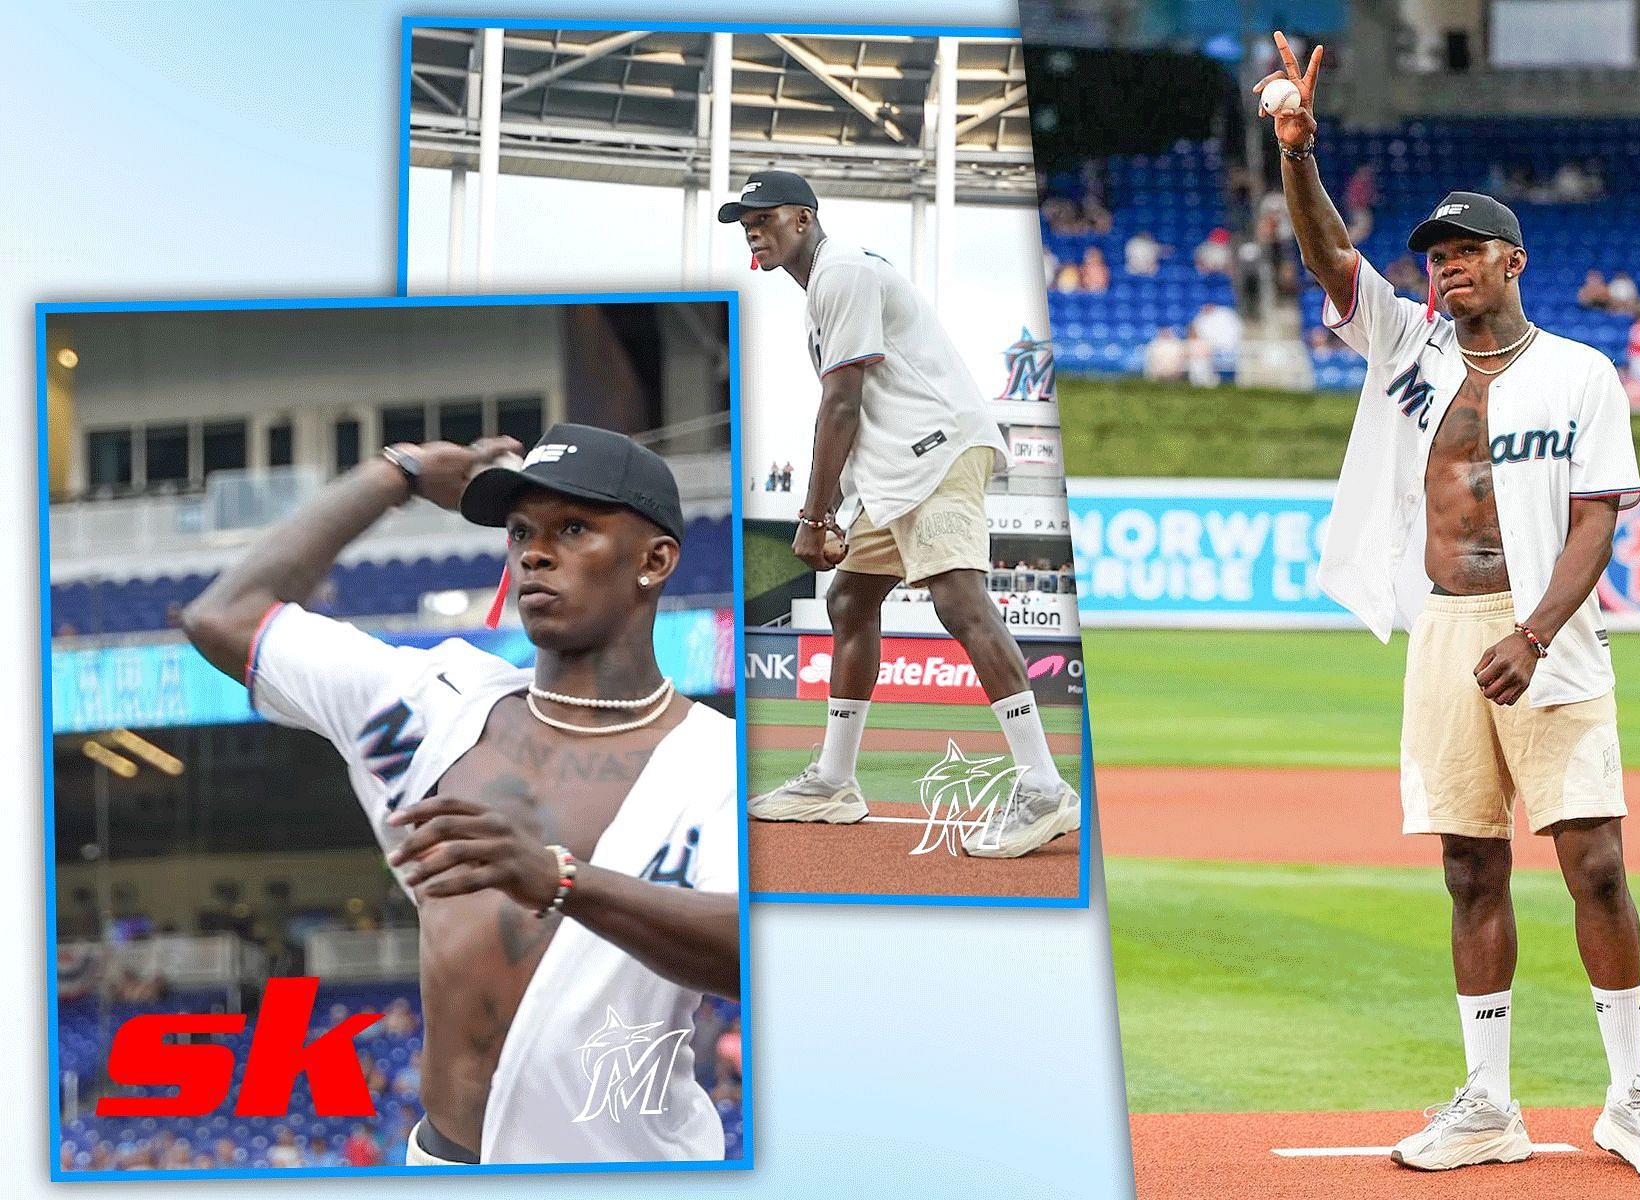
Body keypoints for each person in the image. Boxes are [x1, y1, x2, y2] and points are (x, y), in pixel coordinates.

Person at [1255, 31, 1640, 1184]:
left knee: (1594, 861)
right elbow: (1329, 259)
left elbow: (1600, 515)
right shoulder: (1404, 346)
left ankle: (1632, 1098)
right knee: (1470, 868)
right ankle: (1490, 1105)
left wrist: (1536, 631)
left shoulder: (1581, 373)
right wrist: (1297, 153)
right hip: (1448, 628)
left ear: (1514, 259)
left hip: (1545, 628)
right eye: (1435, 257)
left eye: (1464, 254)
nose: (1444, 269)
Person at [181, 423, 741, 1165]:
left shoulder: (719, 761)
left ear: (655, 559)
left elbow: (759, 951)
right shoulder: (432, 705)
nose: (535, 552)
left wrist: (560, 879)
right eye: (520, 532)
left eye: (573, 528)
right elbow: (222, 616)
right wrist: (400, 473)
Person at [722, 170, 1079, 859]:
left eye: (763, 219)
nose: (754, 233)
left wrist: (814, 515)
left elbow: (842, 405)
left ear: (802, 218)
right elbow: (855, 411)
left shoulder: (841, 273)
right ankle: (833, 780)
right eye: (746, 225)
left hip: (937, 452)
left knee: (960, 604)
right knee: (851, 601)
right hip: (897, 470)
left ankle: (1041, 784)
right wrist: (840, 507)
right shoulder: (828, 285)